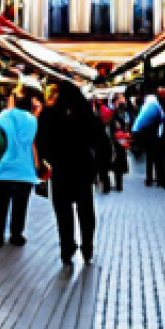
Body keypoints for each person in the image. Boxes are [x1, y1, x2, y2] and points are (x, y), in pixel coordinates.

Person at [37, 81, 108, 265]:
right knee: (86, 210)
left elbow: (41, 142)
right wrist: (102, 169)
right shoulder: (85, 114)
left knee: (63, 212)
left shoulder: (48, 114)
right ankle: (87, 247)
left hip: (61, 170)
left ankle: (67, 248)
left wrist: (50, 160)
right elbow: (100, 141)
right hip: (83, 169)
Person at [0, 85, 42, 249]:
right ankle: (16, 235)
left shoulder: (5, 115)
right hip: (26, 168)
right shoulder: (33, 120)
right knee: (20, 204)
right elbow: (32, 143)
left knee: (1, 203)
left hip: (6, 166)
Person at [132, 89, 165, 187]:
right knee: (159, 161)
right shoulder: (158, 108)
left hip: (149, 141)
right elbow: (162, 121)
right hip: (158, 140)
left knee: (149, 160)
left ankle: (149, 179)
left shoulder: (146, 110)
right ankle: (161, 180)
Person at [108, 95, 132, 191]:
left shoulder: (116, 117)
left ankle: (118, 185)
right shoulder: (122, 116)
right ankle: (119, 185)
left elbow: (114, 130)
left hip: (117, 143)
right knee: (119, 163)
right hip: (121, 143)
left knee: (117, 164)